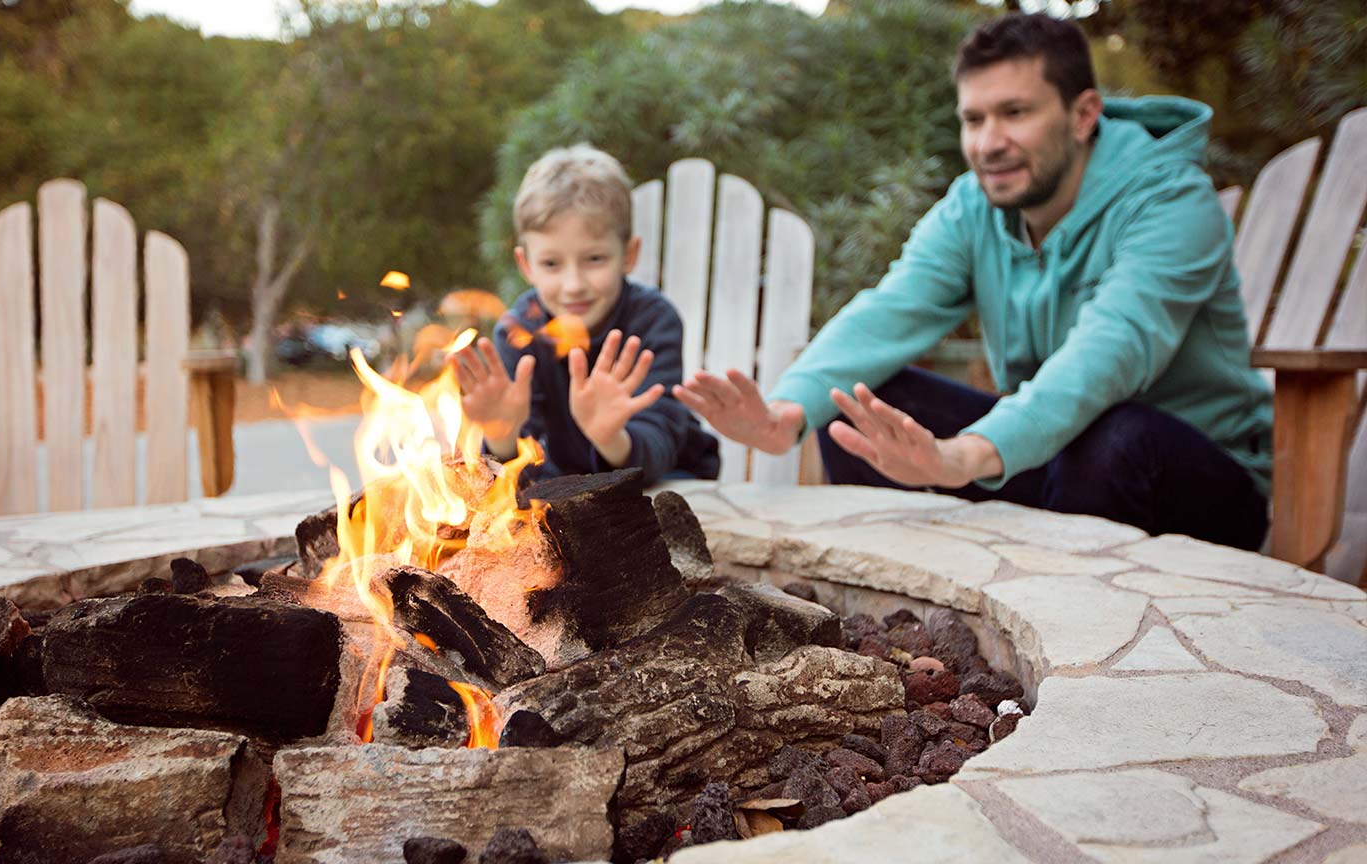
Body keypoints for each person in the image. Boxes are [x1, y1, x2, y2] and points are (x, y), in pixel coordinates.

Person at [675, 12, 1272, 550]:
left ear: (1083, 114)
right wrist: (785, 415)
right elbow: (891, 309)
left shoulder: (1172, 200)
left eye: (1015, 113)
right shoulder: (974, 208)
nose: (989, 143)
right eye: (974, 118)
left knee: (1114, 437)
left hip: (1198, 483)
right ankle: (907, 619)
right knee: (859, 408)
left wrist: (964, 454)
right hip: (1056, 462)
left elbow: (1112, 350)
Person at [453, 144, 720, 483]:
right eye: (551, 263)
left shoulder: (653, 321)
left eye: (594, 259)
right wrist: (501, 435)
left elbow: (660, 442)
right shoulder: (519, 331)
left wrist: (610, 436)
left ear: (629, 254)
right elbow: (513, 474)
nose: (573, 285)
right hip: (572, 491)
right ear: (526, 265)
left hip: (669, 483)